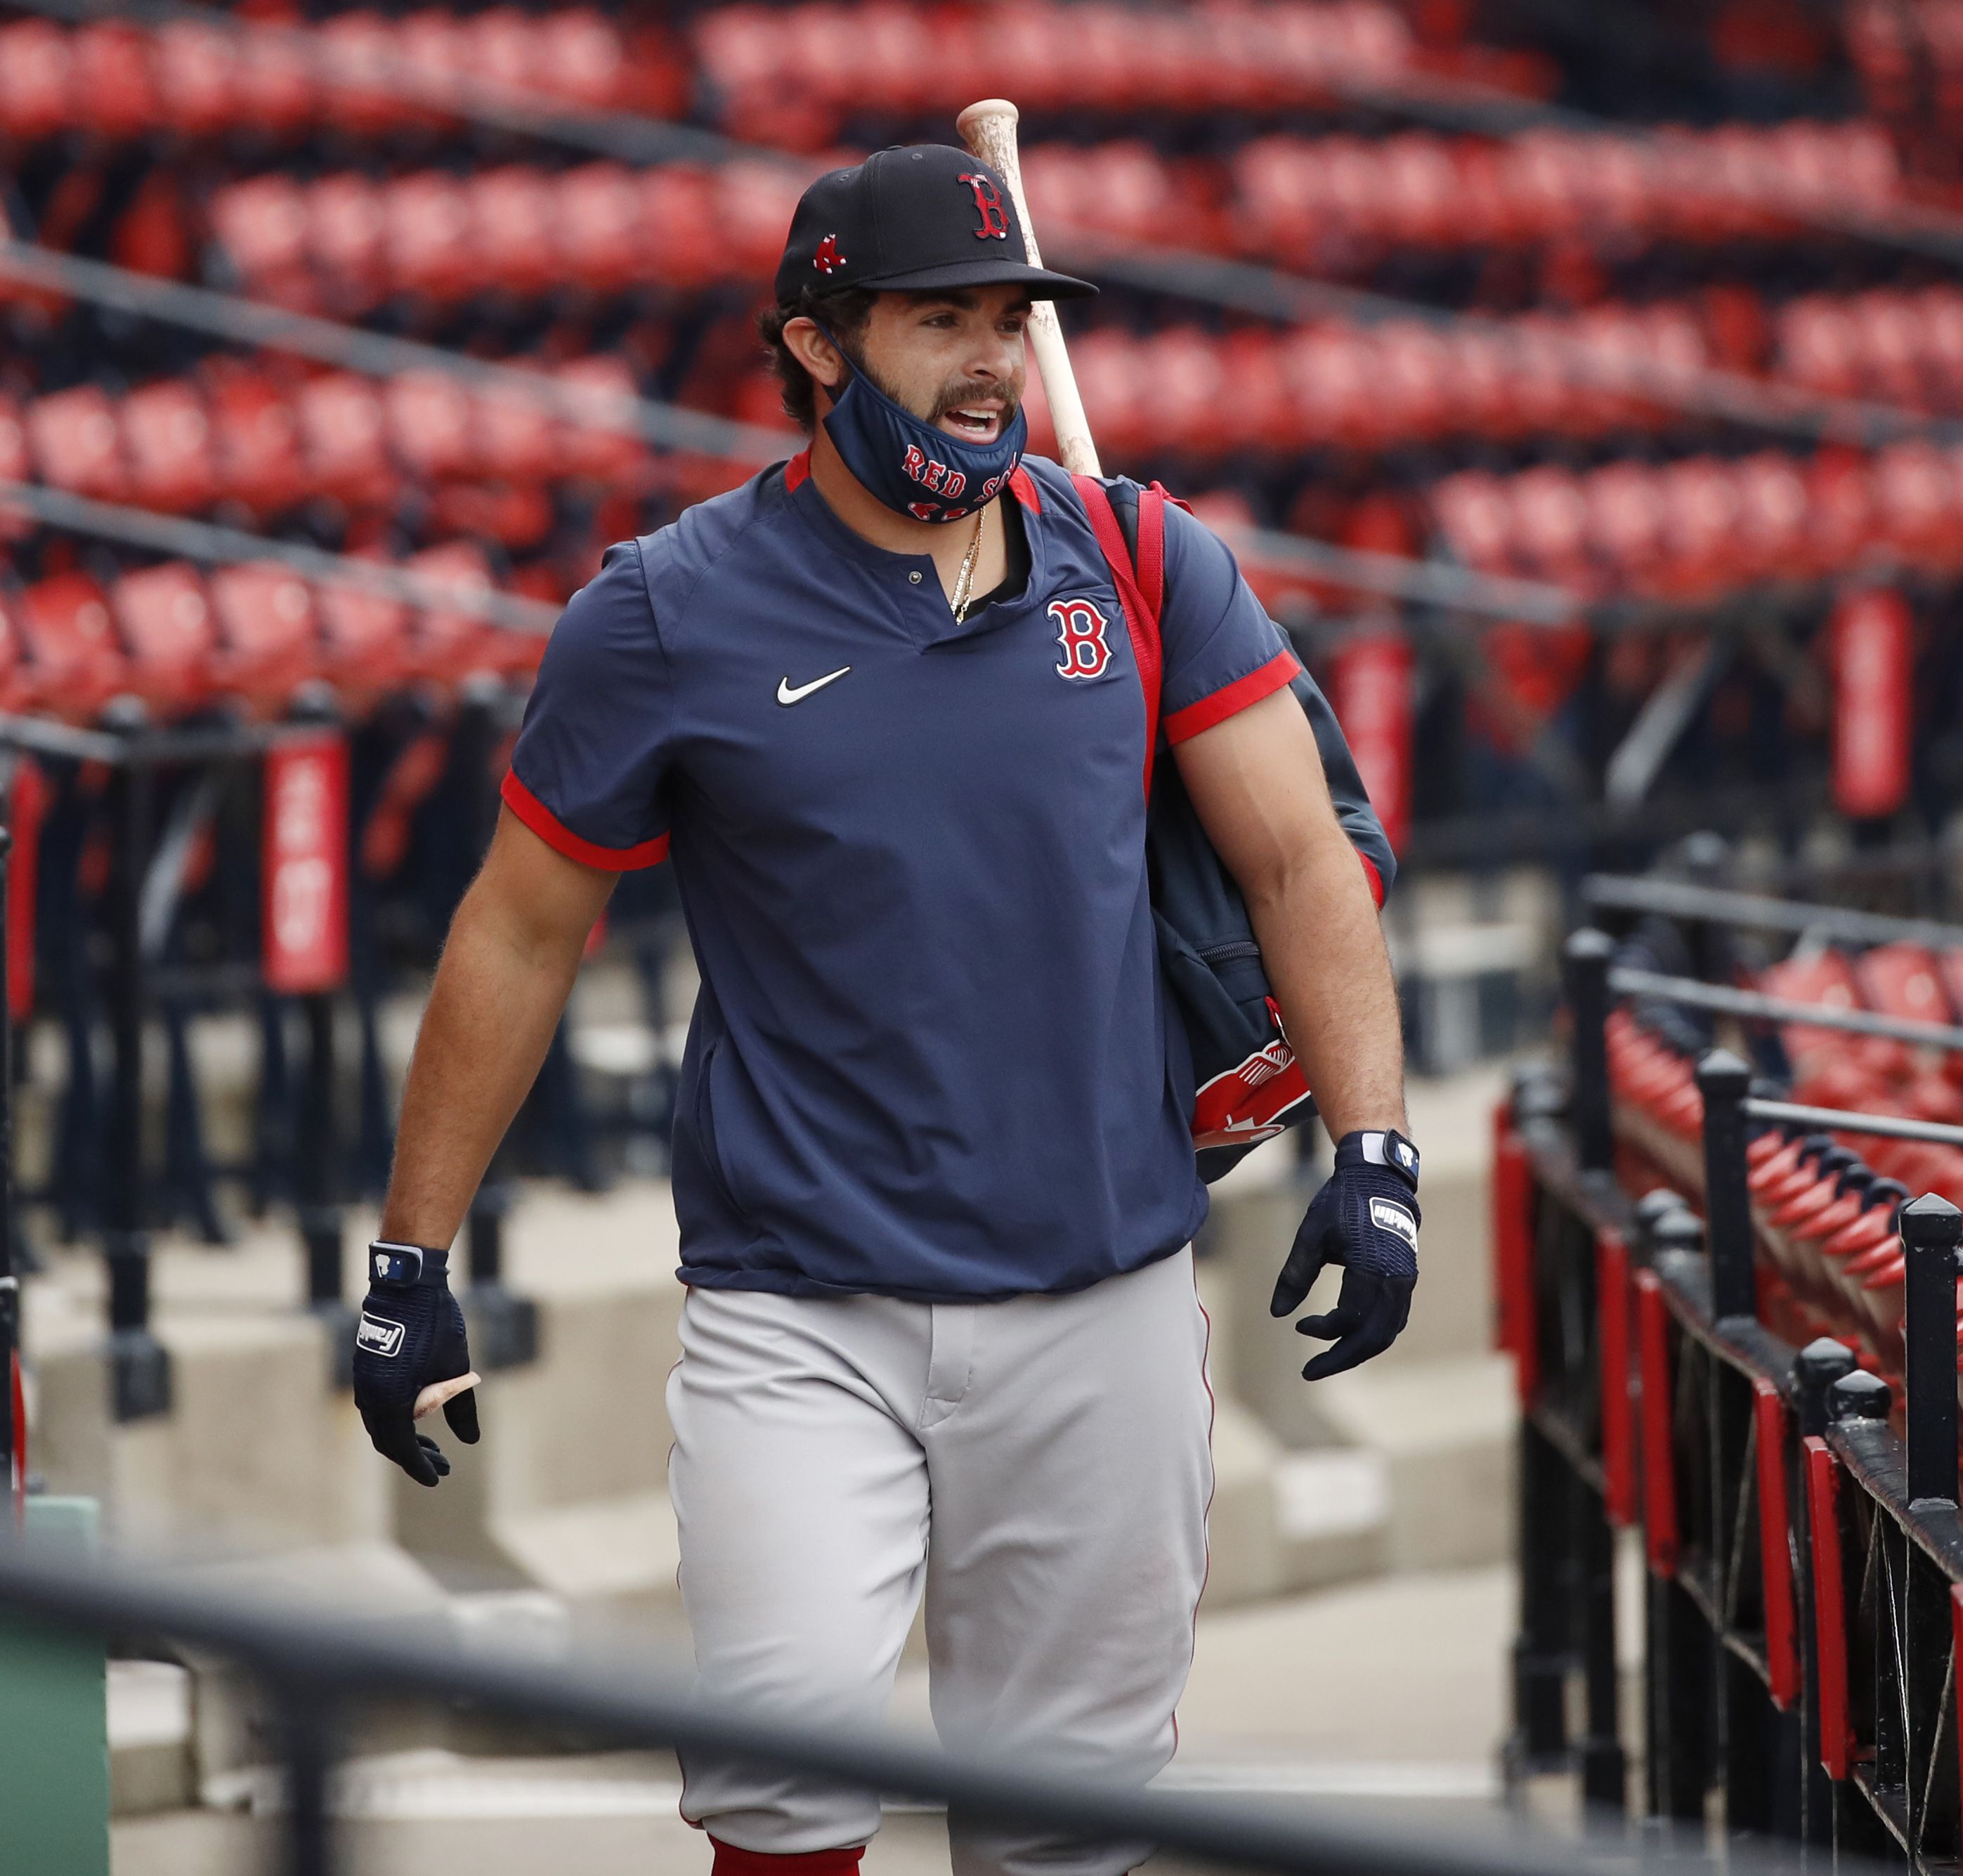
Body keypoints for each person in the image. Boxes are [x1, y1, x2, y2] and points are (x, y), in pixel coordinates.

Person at [347, 143, 1421, 1876]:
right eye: (942, 319)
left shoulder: (1144, 558)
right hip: (799, 1314)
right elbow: (518, 933)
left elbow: (1301, 862)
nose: (993, 358)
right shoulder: (661, 612)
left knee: (1059, 1830)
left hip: (1106, 1299)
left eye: (1012, 320)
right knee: (780, 1800)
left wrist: (1373, 1155)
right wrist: (413, 1260)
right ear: (819, 344)